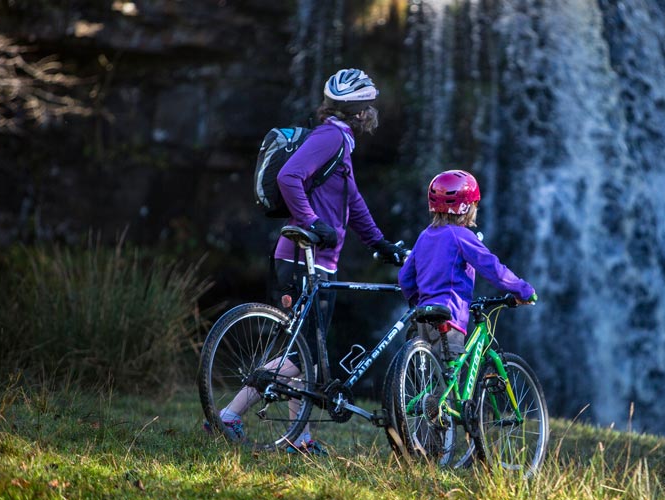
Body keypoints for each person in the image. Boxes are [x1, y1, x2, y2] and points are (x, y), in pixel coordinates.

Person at [207, 68, 407, 455]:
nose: (374, 113)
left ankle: (299, 438)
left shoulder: (341, 143)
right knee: (304, 357)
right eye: (371, 106)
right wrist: (311, 222)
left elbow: (354, 202)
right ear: (360, 111)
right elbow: (289, 176)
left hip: (319, 263)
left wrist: (379, 243)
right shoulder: (330, 137)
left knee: (303, 354)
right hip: (301, 259)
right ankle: (229, 417)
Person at [399, 169, 536, 362]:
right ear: (467, 207)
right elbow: (492, 268)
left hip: (424, 316)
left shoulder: (425, 235)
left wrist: (419, 301)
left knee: (431, 374)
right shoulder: (462, 236)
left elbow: (405, 277)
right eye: (475, 204)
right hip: (450, 317)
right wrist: (522, 290)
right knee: (449, 381)